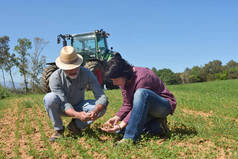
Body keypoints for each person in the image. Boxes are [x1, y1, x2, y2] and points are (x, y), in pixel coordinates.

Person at [101, 55, 176, 143]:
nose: (114, 83)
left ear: (124, 74)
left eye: (115, 80)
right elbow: (128, 104)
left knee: (141, 93)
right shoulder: (123, 81)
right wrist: (117, 117)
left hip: (162, 106)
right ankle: (157, 126)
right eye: (112, 80)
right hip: (145, 108)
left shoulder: (143, 77)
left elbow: (140, 102)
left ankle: (129, 139)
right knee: (122, 131)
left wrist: (121, 125)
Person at [43, 46, 108, 142]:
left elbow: (101, 96)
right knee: (49, 98)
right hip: (61, 107)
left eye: (74, 67)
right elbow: (64, 103)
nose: (72, 70)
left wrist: (96, 110)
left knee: (102, 107)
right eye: (68, 68)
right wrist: (78, 115)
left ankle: (75, 126)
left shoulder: (87, 73)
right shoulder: (55, 77)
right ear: (62, 67)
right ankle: (59, 129)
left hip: (79, 104)